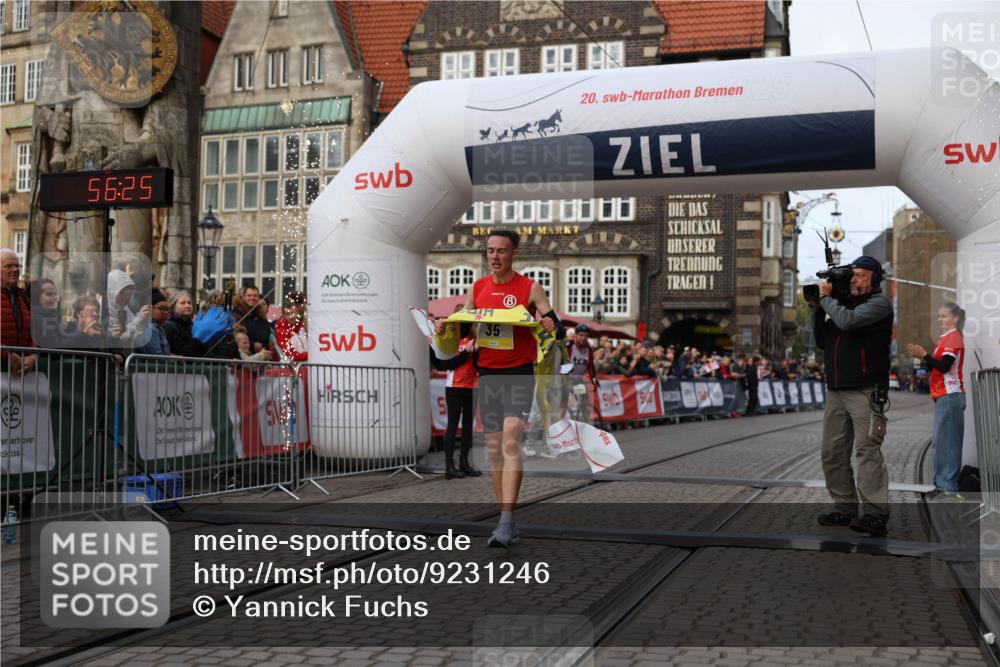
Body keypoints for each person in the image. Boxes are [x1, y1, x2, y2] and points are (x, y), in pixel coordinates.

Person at [435, 230, 559, 548]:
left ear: (514, 253)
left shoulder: (530, 287)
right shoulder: (478, 288)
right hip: (487, 375)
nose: (494, 256)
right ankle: (508, 519)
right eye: (490, 250)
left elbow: (553, 322)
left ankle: (504, 521)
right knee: (493, 450)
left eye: (501, 251)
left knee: (510, 443)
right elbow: (464, 322)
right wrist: (443, 327)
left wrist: (551, 324)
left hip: (519, 374)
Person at [811, 256, 893, 536]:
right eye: (852, 275)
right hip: (836, 391)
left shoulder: (879, 305)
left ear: (875, 278)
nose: (854, 280)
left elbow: (848, 323)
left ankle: (875, 514)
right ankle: (844, 508)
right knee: (832, 453)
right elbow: (822, 340)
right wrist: (816, 307)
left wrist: (827, 301)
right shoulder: (841, 306)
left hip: (865, 390)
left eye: (859, 275)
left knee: (867, 452)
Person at [907, 303, 967, 495]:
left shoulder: (954, 337)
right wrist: (925, 358)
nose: (940, 319)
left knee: (948, 443)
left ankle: (947, 486)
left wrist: (924, 355)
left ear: (955, 318)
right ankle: (941, 484)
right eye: (939, 316)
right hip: (944, 395)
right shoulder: (946, 338)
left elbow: (943, 366)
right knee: (941, 442)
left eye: (944, 316)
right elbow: (938, 367)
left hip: (950, 395)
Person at [438, 325, 482, 478]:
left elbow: (478, 366)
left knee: (468, 426)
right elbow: (447, 365)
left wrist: (476, 352)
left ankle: (464, 463)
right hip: (454, 387)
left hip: (471, 386)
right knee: (453, 424)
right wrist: (465, 353)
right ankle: (449, 467)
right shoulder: (452, 342)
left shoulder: (476, 340)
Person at [1, 248, 37, 374]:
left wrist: (33, 357)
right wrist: (7, 355)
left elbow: (34, 335)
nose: (15, 269)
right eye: (9, 266)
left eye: (17, 266)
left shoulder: (24, 299)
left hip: (20, 375)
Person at [107, 269, 152, 350]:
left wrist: (144, 318)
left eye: (128, 294)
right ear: (113, 291)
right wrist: (139, 318)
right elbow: (121, 336)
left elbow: (136, 332)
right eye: (122, 293)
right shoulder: (105, 308)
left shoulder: (123, 307)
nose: (125, 298)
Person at [566, 324, 596, 422]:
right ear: (575, 335)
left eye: (586, 336)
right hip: (565, 380)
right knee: (568, 407)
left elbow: (590, 367)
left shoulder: (589, 350)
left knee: (584, 404)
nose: (583, 338)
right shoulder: (569, 347)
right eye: (581, 335)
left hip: (578, 380)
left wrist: (594, 379)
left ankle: (585, 425)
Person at [233, 285, 274, 353]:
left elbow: (266, 332)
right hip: (242, 356)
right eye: (249, 295)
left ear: (258, 298)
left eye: (255, 296)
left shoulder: (260, 315)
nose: (252, 298)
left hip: (261, 355)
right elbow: (235, 336)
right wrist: (252, 345)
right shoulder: (237, 314)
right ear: (243, 297)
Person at [30, 278, 65, 349]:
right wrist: (83, 334)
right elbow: (55, 345)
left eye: (55, 294)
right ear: (36, 296)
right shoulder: (37, 317)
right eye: (49, 294)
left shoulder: (52, 315)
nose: (54, 298)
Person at [135, 291, 172, 355]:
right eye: (161, 309)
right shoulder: (150, 328)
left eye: (166, 309)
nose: (165, 312)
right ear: (150, 308)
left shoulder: (155, 327)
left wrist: (175, 357)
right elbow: (156, 357)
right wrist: (174, 359)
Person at [275, 291, 308, 362]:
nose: (291, 316)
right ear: (283, 315)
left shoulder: (301, 325)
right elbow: (291, 355)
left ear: (297, 312)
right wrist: (310, 355)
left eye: (292, 313)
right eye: (287, 314)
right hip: (289, 368)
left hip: (305, 366)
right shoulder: (281, 331)